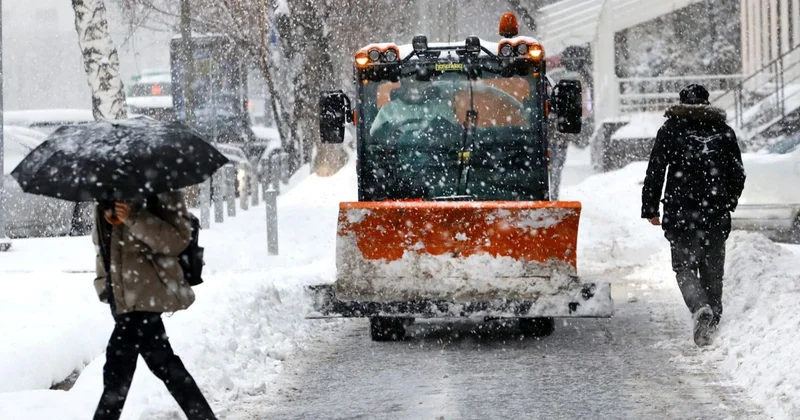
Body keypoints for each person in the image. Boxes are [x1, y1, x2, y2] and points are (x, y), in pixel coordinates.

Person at [92, 191, 216, 420]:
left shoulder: (161, 188)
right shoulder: (105, 189)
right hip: (121, 298)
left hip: (147, 293)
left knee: (117, 368)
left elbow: (177, 240)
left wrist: (133, 218)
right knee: (164, 363)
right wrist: (104, 285)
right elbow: (102, 247)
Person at [641, 84, 746, 347]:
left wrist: (650, 208)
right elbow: (738, 174)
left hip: (681, 214)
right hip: (714, 213)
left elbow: (656, 170)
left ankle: (700, 308)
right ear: (707, 103)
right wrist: (728, 202)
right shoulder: (723, 131)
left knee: (684, 267)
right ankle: (712, 320)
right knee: (712, 270)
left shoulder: (670, 130)